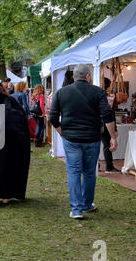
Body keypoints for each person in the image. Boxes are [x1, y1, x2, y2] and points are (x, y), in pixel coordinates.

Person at [49, 64, 117, 220]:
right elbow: (107, 115)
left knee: (73, 172)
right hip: (92, 138)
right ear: (88, 76)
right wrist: (113, 137)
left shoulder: (61, 92)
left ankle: (77, 209)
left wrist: (62, 132)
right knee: (89, 172)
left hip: (71, 138)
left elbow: (52, 117)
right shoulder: (98, 92)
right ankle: (86, 204)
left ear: (74, 77)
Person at [101, 78, 120, 173]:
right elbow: (110, 114)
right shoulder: (108, 97)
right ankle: (109, 166)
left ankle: (97, 165)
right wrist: (114, 128)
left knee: (98, 145)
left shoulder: (96, 94)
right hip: (105, 124)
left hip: (96, 123)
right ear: (108, 86)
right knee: (107, 145)